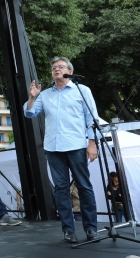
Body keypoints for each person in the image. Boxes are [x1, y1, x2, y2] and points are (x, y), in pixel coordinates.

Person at [24, 56, 99, 243]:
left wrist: (92, 143)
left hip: (76, 146)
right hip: (53, 147)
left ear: (70, 72)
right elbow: (29, 112)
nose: (56, 69)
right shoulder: (46, 94)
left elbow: (92, 119)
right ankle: (68, 230)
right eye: (54, 68)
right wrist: (32, 97)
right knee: (61, 189)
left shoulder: (82, 91)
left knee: (84, 186)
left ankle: (91, 228)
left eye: (61, 67)